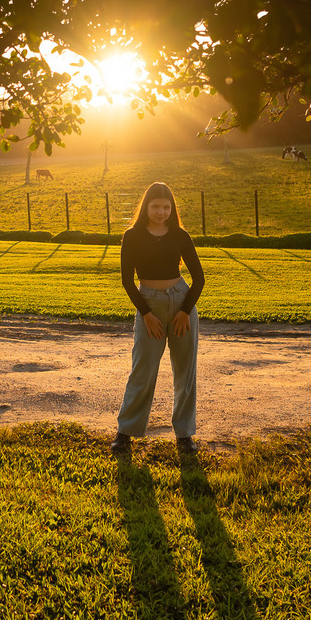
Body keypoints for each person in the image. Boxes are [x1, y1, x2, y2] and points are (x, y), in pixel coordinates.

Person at [111, 182, 205, 454]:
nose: (161, 212)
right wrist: (147, 315)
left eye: (166, 207)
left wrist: (185, 312)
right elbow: (127, 281)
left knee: (185, 372)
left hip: (181, 302)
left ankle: (184, 435)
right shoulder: (132, 236)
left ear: (172, 208)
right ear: (146, 207)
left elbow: (199, 279)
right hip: (148, 303)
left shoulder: (180, 236)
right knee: (142, 369)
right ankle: (125, 432)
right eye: (156, 206)